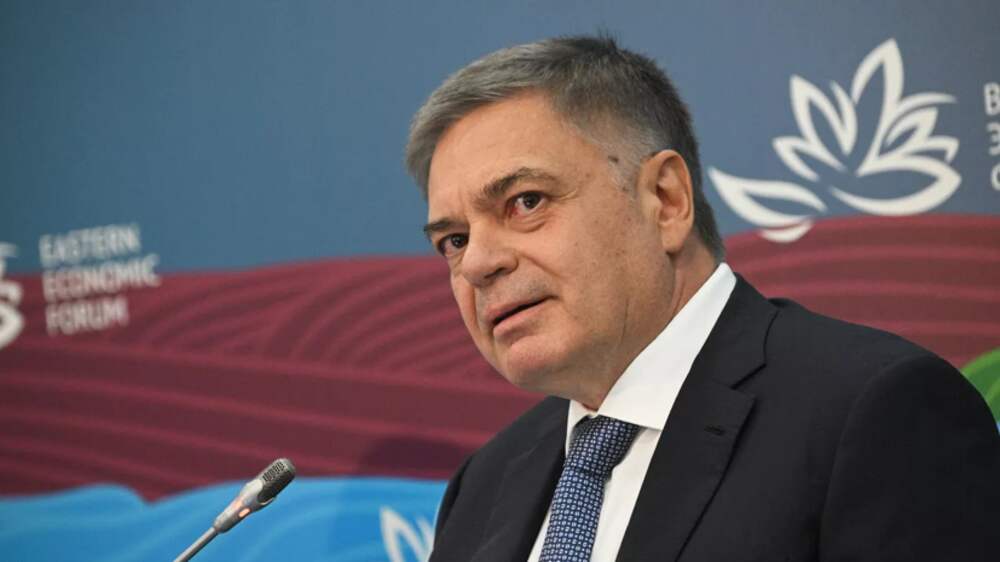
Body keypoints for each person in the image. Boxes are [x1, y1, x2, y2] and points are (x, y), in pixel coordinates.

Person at [404, 35, 1000, 562]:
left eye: (526, 202)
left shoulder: (875, 412)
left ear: (666, 200)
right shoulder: (483, 483)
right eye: (454, 240)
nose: (477, 263)